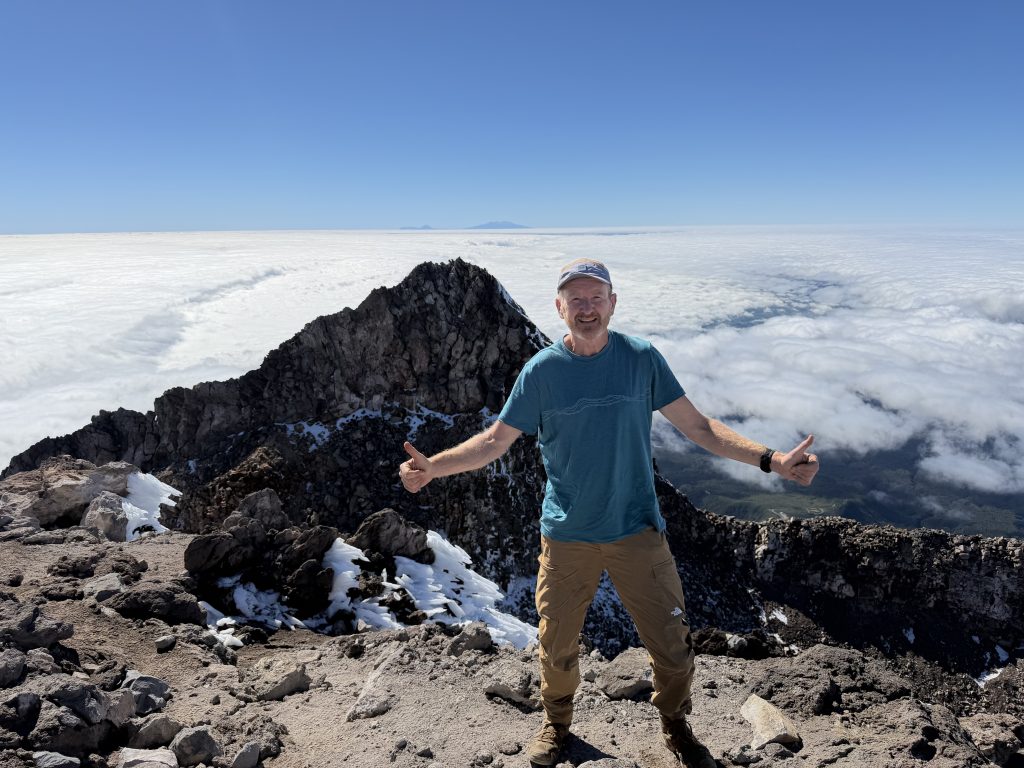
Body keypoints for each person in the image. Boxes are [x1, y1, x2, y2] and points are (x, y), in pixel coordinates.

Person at [399, 258, 819, 767]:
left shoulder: (641, 359)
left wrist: (771, 460)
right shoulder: (542, 373)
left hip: (636, 529)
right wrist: (433, 468)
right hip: (567, 534)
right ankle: (556, 725)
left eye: (596, 297)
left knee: (672, 645)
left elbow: (699, 428)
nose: (586, 307)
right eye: (575, 299)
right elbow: (494, 441)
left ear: (613, 303)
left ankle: (675, 724)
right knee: (556, 644)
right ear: (559, 308)